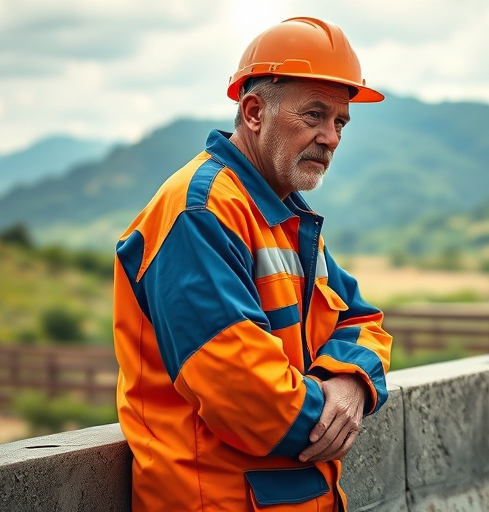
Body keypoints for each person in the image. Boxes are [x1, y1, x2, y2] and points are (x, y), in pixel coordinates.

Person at [112, 17, 393, 511]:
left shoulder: (283, 217)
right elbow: (251, 400)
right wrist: (330, 415)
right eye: (314, 115)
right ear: (255, 111)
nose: (331, 137)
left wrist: (351, 382)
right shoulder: (200, 213)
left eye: (340, 122)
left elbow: (362, 319)